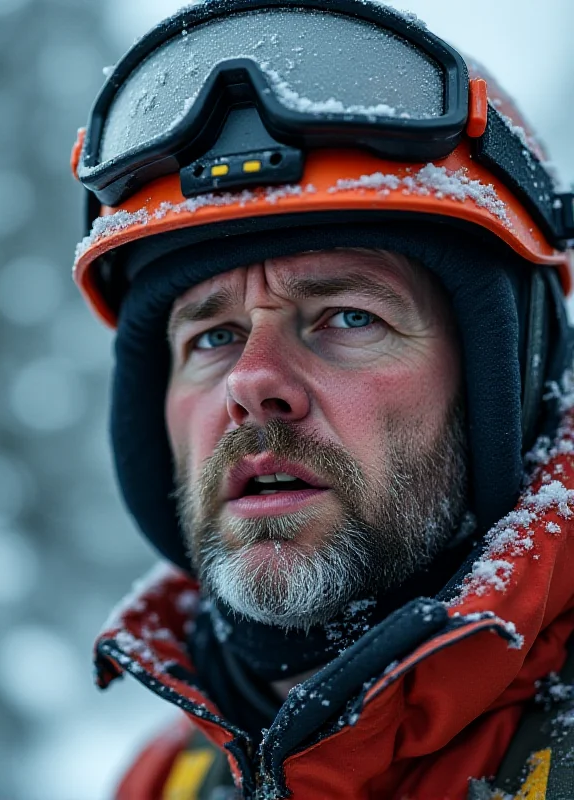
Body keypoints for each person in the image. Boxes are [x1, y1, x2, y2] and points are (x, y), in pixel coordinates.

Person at [70, 1, 574, 797]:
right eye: (212, 337)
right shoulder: (162, 779)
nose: (251, 383)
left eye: (348, 317)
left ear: (504, 384)